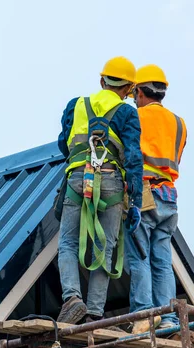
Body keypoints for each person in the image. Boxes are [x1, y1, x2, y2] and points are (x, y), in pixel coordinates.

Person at [56, 56, 144, 326]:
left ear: (101, 80)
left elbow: (63, 143)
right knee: (105, 248)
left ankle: (72, 299)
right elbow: (133, 159)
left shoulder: (76, 106)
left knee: (68, 244)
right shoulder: (128, 113)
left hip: (78, 178)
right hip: (112, 182)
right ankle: (94, 311)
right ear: (129, 89)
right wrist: (137, 201)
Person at [126, 65, 187, 334]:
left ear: (139, 92)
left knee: (139, 255)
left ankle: (143, 315)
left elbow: (129, 155)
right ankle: (170, 319)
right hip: (169, 196)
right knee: (162, 260)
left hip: (145, 194)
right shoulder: (178, 122)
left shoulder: (135, 117)